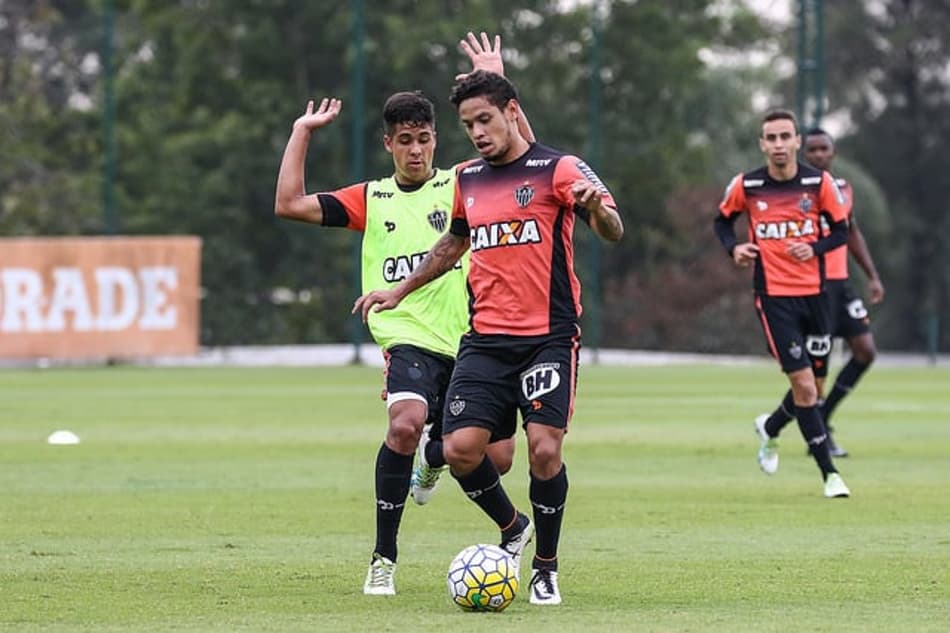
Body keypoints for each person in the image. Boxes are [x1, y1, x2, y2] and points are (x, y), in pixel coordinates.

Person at [355, 70, 624, 605]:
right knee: (460, 450)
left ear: (512, 112)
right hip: (485, 340)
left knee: (543, 452)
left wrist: (596, 208)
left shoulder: (559, 169)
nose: (477, 132)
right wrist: (400, 292)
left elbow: (614, 228)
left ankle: (545, 567)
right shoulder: (469, 179)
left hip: (548, 336)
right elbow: (451, 245)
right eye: (467, 124)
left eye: (485, 119)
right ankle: (513, 528)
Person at [274, 33, 529, 596]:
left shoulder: (463, 183)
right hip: (408, 340)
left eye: (424, 139)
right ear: (389, 143)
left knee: (501, 458)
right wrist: (300, 133)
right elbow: (288, 204)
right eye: (405, 141)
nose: (416, 150)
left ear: (437, 140)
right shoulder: (372, 199)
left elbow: (528, 164)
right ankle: (383, 558)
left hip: (473, 341)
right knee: (404, 424)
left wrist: (499, 81)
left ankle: (490, 506)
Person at [713, 109, 852, 498]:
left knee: (813, 390)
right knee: (805, 388)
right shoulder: (747, 185)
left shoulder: (818, 182)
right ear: (762, 144)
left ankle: (771, 428)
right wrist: (734, 248)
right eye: (770, 138)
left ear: (796, 142)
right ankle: (830, 474)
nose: (777, 145)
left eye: (784, 137)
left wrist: (814, 248)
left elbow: (841, 231)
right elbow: (721, 222)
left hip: (818, 297)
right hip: (775, 299)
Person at [755, 127, 884, 457]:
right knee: (814, 374)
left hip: (841, 284)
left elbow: (850, 231)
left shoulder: (841, 188)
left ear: (833, 153)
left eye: (824, 148)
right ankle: (815, 432)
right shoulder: (791, 191)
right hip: (813, 288)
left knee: (865, 351)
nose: (818, 155)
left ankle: (797, 422)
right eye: (812, 150)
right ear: (803, 152)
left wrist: (871, 275)